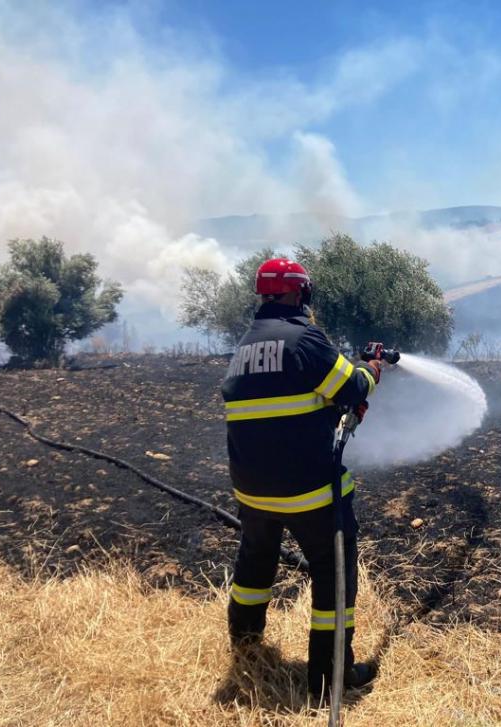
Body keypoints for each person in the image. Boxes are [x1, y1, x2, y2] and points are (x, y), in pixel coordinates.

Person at [220, 257, 381, 698]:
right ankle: (330, 677)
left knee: (254, 570)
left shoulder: (244, 347)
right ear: (299, 293)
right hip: (308, 492)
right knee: (333, 575)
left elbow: (285, 400)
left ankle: (247, 651)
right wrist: (370, 368)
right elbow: (352, 387)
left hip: (252, 493)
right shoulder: (304, 338)